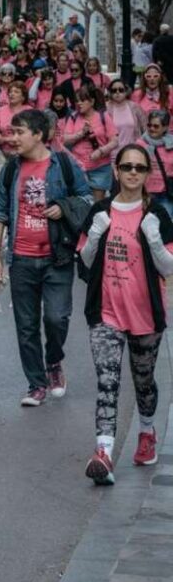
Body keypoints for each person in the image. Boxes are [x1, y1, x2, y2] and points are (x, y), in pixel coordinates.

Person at [76, 145, 173, 486]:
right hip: (105, 313)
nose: (133, 172)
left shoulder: (158, 214)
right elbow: (85, 264)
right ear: (115, 171)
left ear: (148, 174)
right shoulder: (100, 212)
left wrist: (154, 239)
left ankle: (146, 431)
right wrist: (97, 235)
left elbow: (168, 267)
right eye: (127, 166)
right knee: (107, 382)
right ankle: (103, 453)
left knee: (143, 382)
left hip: (146, 315)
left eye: (140, 167)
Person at [0, 109, 93, 407]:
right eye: (12, 131)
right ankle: (36, 384)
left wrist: (63, 207)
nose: (13, 138)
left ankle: (54, 362)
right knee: (26, 326)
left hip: (57, 256)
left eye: (19, 132)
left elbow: (87, 200)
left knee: (56, 317)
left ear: (38, 134)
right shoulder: (10, 170)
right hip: (20, 258)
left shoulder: (63, 164)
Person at [63, 86, 119, 201]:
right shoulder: (73, 117)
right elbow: (65, 139)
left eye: (82, 100)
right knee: (81, 202)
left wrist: (101, 151)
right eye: (77, 101)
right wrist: (81, 134)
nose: (79, 104)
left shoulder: (103, 116)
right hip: (78, 167)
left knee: (97, 205)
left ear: (92, 101)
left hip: (100, 167)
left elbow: (115, 141)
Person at [0, 81, 33, 185]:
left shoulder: (29, 111)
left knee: (19, 184)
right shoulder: (0, 111)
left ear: (23, 97)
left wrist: (5, 139)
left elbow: (32, 135)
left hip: (23, 153)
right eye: (10, 91)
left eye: (16, 92)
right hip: (2, 154)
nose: (11, 94)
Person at [138, 109, 173, 216]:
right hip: (146, 194)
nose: (151, 128)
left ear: (165, 127)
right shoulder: (140, 143)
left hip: (166, 194)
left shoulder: (171, 144)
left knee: (166, 225)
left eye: (156, 126)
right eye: (149, 125)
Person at [107, 78, 146, 151]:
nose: (117, 92)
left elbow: (145, 127)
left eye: (121, 90)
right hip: (113, 153)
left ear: (126, 91)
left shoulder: (135, 107)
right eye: (114, 90)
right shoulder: (106, 109)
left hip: (133, 151)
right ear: (110, 93)